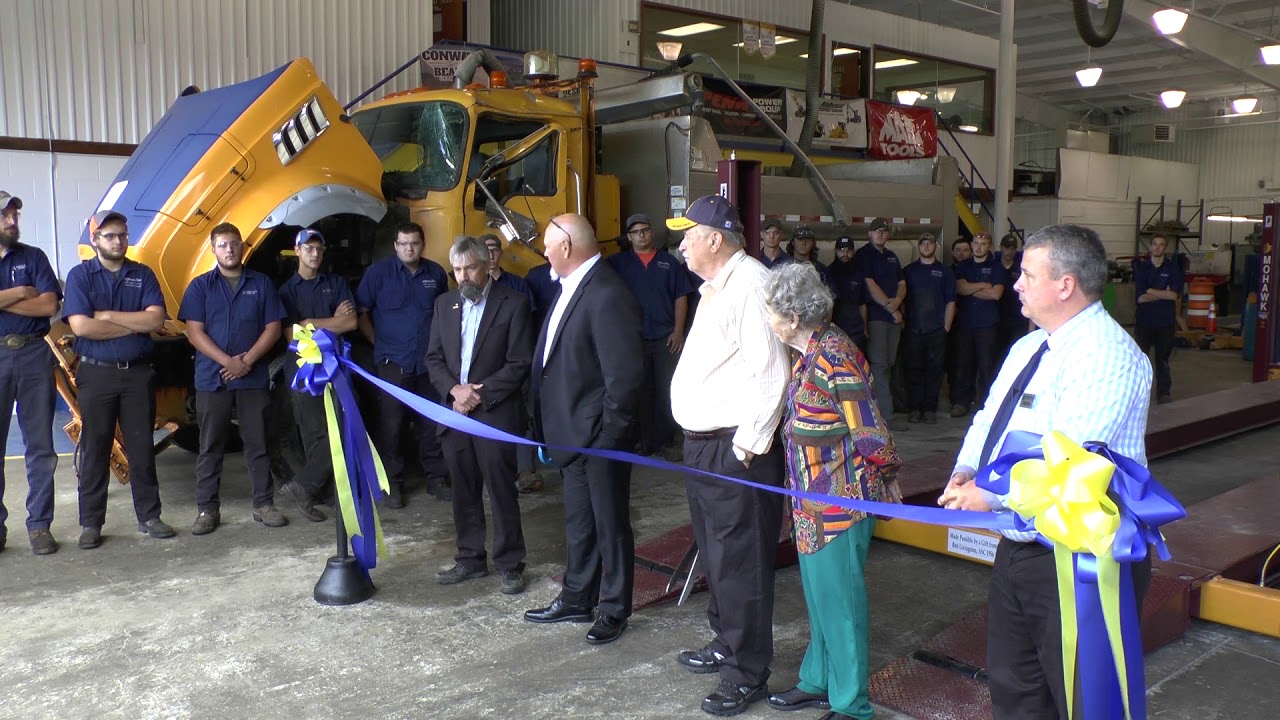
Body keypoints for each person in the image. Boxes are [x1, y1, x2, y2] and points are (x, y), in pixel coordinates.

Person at [938, 224, 1154, 720]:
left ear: (1065, 285)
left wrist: (990, 496)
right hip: (1022, 545)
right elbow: (989, 418)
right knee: (1016, 690)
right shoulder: (1031, 346)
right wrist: (967, 469)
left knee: (1083, 698)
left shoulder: (1107, 354)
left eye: (1028, 275)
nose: (1016, 284)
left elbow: (1071, 457)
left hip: (1080, 558)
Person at [761, 262, 902, 720]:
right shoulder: (810, 352)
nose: (767, 319)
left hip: (840, 505)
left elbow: (869, 429)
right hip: (810, 506)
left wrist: (889, 474)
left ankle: (850, 703)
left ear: (793, 317)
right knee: (821, 601)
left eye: (770, 312)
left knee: (841, 607)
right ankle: (818, 680)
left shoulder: (834, 356)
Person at [667, 195, 790, 716]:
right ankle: (726, 641)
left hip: (733, 449)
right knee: (718, 555)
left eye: (688, 235)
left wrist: (744, 450)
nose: (682, 245)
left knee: (740, 562)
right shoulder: (718, 286)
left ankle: (746, 671)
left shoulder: (751, 285)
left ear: (714, 239)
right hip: (707, 446)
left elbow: (771, 375)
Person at [523, 213, 644, 647]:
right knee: (580, 523)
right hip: (573, 436)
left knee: (610, 525)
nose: (543, 251)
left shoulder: (607, 293)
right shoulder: (573, 286)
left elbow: (624, 379)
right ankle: (577, 597)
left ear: (567, 247)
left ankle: (614, 607)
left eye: (547, 244)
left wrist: (607, 438)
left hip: (598, 440)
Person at [426, 235, 533, 595]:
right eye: (457, 270)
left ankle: (510, 564)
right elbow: (434, 358)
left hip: (494, 412)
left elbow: (519, 363)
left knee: (501, 488)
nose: (463, 277)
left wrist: (477, 395)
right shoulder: (444, 304)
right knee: (463, 488)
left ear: (486, 265)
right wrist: (454, 391)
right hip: (455, 411)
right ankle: (470, 558)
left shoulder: (513, 304)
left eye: (470, 268)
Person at [63, 211, 173, 549]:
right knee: (96, 448)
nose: (118, 241)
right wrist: (133, 324)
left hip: (137, 373)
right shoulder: (80, 276)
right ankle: (91, 523)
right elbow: (81, 327)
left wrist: (108, 316)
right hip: (96, 374)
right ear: (95, 239)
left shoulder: (142, 274)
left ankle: (149, 517)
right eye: (110, 236)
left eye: (122, 235)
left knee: (141, 447)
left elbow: (155, 320)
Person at [178, 222, 289, 534]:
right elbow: (194, 333)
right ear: (213, 249)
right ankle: (207, 510)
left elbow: (273, 329)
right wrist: (228, 362)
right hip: (213, 378)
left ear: (242, 247)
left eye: (234, 244)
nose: (229, 249)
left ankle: (264, 504)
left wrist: (247, 361)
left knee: (257, 443)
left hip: (252, 378)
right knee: (210, 445)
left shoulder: (262, 284)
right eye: (223, 244)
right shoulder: (200, 286)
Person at [356, 222, 451, 508]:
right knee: (392, 423)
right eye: (404, 244)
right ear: (395, 246)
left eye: (415, 243)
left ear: (423, 244)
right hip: (393, 361)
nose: (409, 249)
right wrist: (378, 344)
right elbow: (361, 313)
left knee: (433, 421)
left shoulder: (436, 274)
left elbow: (444, 315)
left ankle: (436, 478)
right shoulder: (378, 274)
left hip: (429, 362)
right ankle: (393, 484)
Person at [277, 228, 358, 522]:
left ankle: (307, 487)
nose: (314, 254)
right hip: (304, 370)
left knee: (346, 425)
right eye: (308, 248)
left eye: (318, 249)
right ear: (297, 251)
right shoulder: (286, 292)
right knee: (315, 433)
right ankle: (318, 492)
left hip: (336, 366)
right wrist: (332, 320)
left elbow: (350, 323)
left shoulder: (335, 283)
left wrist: (310, 321)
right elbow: (292, 336)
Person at [0, 191, 62, 555]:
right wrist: (22, 292)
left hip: (34, 353)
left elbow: (49, 304)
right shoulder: (26, 274)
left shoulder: (34, 257)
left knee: (40, 446)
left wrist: (6, 299)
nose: (12, 221)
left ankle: (40, 526)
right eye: (5, 216)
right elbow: (34, 299)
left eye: (14, 215)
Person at [608, 213, 693, 458]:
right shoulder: (618, 264)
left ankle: (665, 441)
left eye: (645, 230)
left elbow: (681, 297)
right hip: (633, 340)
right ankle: (644, 441)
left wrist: (678, 331)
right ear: (629, 237)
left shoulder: (669, 263)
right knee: (639, 390)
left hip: (666, 338)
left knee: (666, 389)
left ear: (651, 232)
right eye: (636, 232)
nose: (641, 235)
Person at [853, 217, 906, 430]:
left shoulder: (892, 256)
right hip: (877, 318)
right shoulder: (863, 255)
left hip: (893, 318)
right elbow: (869, 284)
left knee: (889, 365)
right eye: (876, 231)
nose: (880, 234)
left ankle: (883, 412)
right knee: (879, 366)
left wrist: (898, 301)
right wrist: (891, 308)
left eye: (883, 231)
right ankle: (885, 417)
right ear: (869, 233)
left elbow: (902, 283)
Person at [901, 234, 956, 425]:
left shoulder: (945, 272)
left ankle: (930, 409)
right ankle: (915, 409)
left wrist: (946, 328)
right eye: (922, 243)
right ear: (918, 247)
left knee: (934, 371)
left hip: (936, 330)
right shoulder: (908, 271)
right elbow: (901, 298)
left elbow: (951, 301)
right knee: (913, 370)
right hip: (913, 329)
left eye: (930, 243)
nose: (926, 246)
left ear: (935, 246)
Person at [951, 231, 1006, 417]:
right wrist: (983, 285)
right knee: (962, 364)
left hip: (987, 324)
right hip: (965, 323)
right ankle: (961, 403)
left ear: (989, 246)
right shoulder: (963, 266)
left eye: (983, 244)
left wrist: (971, 288)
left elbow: (996, 294)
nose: (978, 247)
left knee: (986, 366)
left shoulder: (997, 267)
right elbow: (960, 288)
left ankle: (984, 404)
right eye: (975, 243)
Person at [517, 260, 560, 494]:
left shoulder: (516, 284)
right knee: (524, 414)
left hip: (556, 355)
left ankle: (564, 462)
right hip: (528, 357)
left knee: (555, 408)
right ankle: (525, 469)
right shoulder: (535, 275)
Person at [1134, 234, 1183, 404]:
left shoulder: (1173, 269)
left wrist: (1150, 290)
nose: (1157, 247)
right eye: (1154, 244)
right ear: (1150, 246)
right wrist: (1164, 293)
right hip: (1144, 322)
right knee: (1141, 360)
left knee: (1163, 360)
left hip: (1165, 322)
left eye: (1161, 244)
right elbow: (1140, 298)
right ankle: (1140, 394)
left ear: (1165, 248)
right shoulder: (1142, 269)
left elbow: (1174, 295)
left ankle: (1164, 393)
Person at [828, 235, 868, 353]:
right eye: (841, 250)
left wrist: (865, 328)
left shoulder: (858, 273)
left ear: (853, 252)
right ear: (835, 251)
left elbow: (862, 303)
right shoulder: (828, 273)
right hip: (835, 330)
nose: (845, 254)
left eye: (848, 250)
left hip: (856, 330)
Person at [482, 233, 535, 310]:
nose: (491, 256)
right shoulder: (475, 284)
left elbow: (529, 312)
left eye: (495, 250)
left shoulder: (518, 284)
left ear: (501, 253)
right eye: (487, 251)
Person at [996, 233, 1027, 361]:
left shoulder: (1021, 268)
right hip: (997, 320)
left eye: (1013, 248)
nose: (1010, 251)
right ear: (1001, 248)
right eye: (1007, 247)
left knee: (1016, 357)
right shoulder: (994, 266)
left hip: (1018, 320)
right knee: (997, 358)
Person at [788, 225, 834, 292]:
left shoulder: (821, 270)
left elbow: (832, 294)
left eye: (808, 240)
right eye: (800, 239)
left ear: (813, 243)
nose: (804, 243)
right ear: (793, 242)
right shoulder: (784, 267)